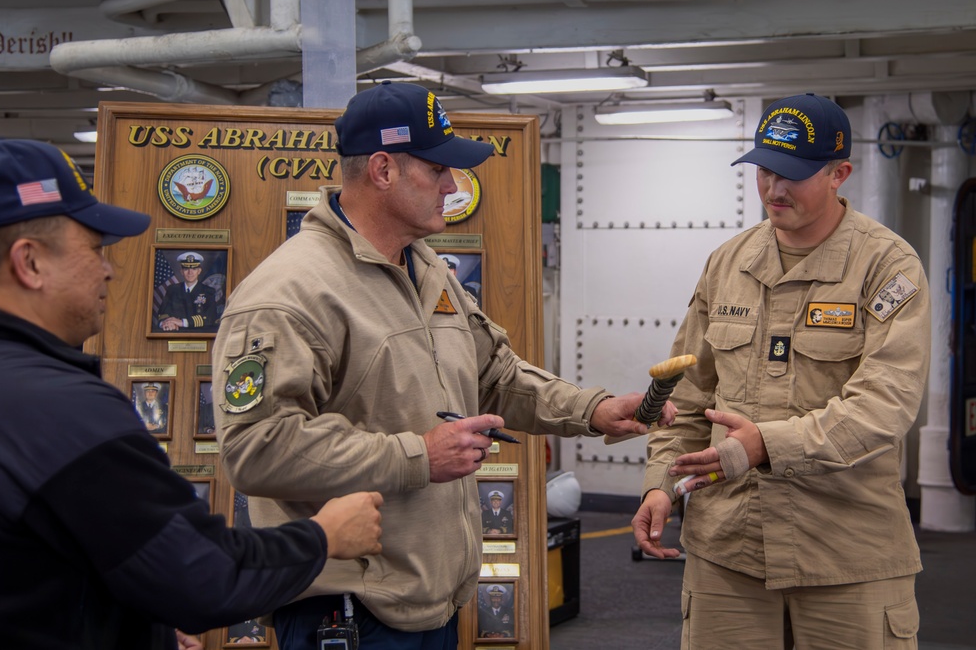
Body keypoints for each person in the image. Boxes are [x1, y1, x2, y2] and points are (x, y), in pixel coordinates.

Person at [211, 81, 674, 650]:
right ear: (383, 170)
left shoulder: (424, 268)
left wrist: (592, 409)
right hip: (349, 614)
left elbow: (496, 375)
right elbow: (257, 448)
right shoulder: (291, 293)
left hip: (432, 604)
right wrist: (419, 455)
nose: (453, 186)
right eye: (437, 170)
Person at [0, 138, 385, 650]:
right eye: (93, 249)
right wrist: (323, 537)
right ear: (29, 262)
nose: (109, 269)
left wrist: (134, 619)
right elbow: (203, 577)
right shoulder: (59, 411)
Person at [631, 94, 931, 649]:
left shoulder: (887, 267)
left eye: (793, 174)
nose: (774, 189)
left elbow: (885, 403)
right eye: (765, 170)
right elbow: (688, 392)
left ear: (840, 173)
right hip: (729, 548)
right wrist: (660, 484)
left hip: (846, 553)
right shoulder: (728, 263)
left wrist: (764, 445)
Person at [156, 251, 221, 332]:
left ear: (199, 271)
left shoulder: (208, 292)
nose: (190, 272)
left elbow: (210, 318)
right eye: (186, 269)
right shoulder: (172, 289)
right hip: (174, 334)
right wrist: (165, 323)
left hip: (200, 336)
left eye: (194, 269)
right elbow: (162, 314)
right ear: (181, 271)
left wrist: (182, 322)